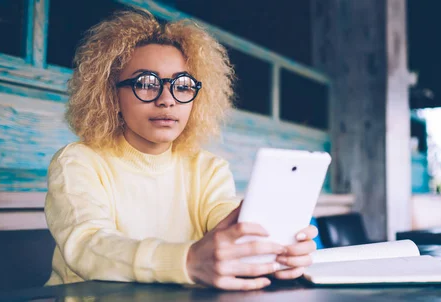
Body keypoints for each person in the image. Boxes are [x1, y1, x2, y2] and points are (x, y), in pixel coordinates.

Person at [44, 8, 317, 291]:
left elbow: (224, 220)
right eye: (146, 83)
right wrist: (187, 261)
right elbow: (88, 247)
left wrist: (270, 250)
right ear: (111, 93)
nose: (167, 100)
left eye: (183, 86)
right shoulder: (77, 162)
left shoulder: (207, 168)